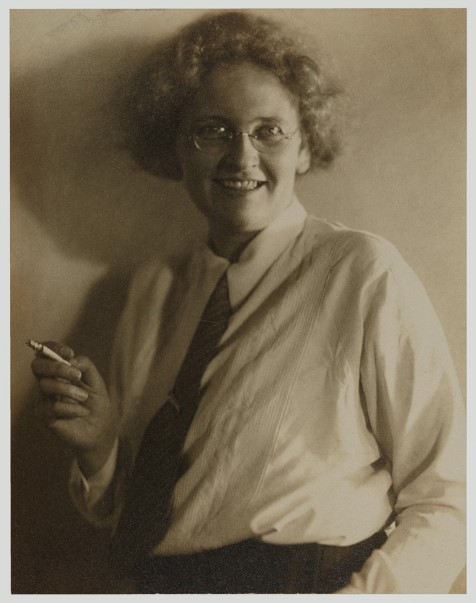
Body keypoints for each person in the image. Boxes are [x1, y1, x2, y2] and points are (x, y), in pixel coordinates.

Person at [31, 10, 465, 594]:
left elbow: (450, 498)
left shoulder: (361, 271)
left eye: (269, 131)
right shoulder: (153, 289)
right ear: (176, 148)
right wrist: (101, 448)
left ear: (306, 147)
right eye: (213, 131)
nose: (241, 158)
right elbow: (138, 520)